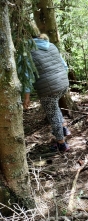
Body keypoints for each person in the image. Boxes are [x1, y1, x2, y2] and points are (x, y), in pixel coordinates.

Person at [21, 24, 71, 152]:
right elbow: (65, 66)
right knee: (54, 106)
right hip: (63, 84)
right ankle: (64, 128)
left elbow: (27, 76)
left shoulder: (27, 51)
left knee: (52, 114)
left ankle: (61, 144)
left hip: (48, 89)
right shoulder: (51, 45)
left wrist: (26, 97)